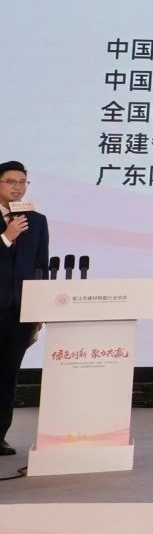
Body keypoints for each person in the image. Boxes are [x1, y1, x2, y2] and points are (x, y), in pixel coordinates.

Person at [0, 161, 51, 455]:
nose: (17, 188)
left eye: (22, 182)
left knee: (8, 374)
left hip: (20, 311)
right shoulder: (11, 226)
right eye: (11, 182)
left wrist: (40, 309)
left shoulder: (37, 221)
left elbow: (40, 267)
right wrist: (6, 237)